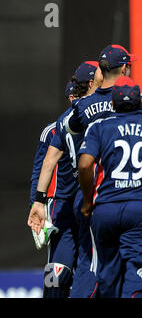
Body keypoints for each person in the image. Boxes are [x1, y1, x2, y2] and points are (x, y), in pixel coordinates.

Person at [78, 76, 142, 298]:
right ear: (139, 102)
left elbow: (85, 164)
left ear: (113, 103)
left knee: (107, 271)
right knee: (138, 269)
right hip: (140, 207)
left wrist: (88, 201)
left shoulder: (99, 126)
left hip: (105, 208)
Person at [27, 61, 101, 298]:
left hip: (87, 203)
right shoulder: (53, 130)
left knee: (87, 267)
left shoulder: (101, 120)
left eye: (76, 93)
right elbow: (40, 169)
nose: (73, 99)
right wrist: (36, 205)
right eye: (71, 94)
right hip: (61, 206)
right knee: (57, 270)